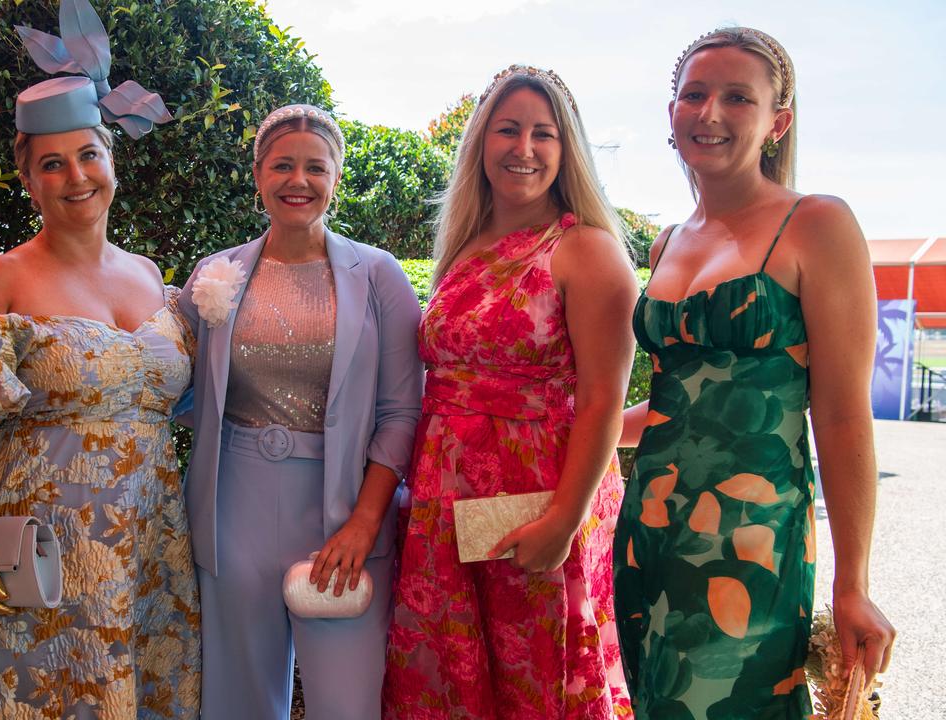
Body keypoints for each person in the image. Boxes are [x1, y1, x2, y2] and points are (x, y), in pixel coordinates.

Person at [614, 27, 896, 719]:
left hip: (751, 541)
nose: (710, 112)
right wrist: (564, 432)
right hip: (649, 531)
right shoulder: (668, 241)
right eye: (695, 95)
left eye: (738, 97)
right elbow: (675, 407)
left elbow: (840, 415)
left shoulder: (817, 224)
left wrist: (852, 582)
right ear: (672, 113)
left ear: (778, 121)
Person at [0, 7, 197, 716]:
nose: (76, 176)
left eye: (89, 155)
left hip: (149, 543)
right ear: (29, 180)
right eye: (53, 163)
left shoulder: (151, 274)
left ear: (113, 160)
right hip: (41, 549)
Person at [383, 66, 638, 719]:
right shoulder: (465, 247)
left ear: (566, 148)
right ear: (480, 143)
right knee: (457, 680)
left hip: (541, 500)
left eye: (543, 133)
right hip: (449, 504)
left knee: (542, 682)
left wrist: (564, 519)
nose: (524, 147)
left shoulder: (586, 251)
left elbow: (606, 399)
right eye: (508, 129)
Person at [177, 103, 422, 720]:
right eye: (282, 164)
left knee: (348, 703)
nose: (298, 180)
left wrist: (365, 523)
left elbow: (401, 412)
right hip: (234, 503)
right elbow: (174, 379)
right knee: (237, 701)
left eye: (316, 167)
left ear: (336, 177)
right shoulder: (216, 273)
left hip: (344, 509)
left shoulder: (380, 276)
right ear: (258, 174)